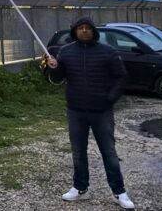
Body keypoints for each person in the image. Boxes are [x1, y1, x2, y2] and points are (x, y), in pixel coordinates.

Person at [46, 17, 134, 209]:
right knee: (78, 152)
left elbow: (121, 77)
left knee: (109, 152)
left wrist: (109, 99)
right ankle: (80, 187)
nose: (84, 31)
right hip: (76, 110)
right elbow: (58, 78)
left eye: (87, 28)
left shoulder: (107, 51)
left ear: (93, 31)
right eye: (80, 28)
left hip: (101, 111)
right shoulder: (66, 52)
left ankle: (119, 191)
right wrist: (54, 68)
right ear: (75, 31)